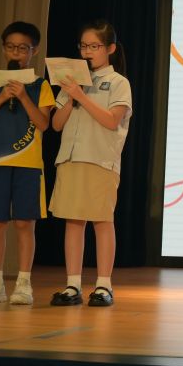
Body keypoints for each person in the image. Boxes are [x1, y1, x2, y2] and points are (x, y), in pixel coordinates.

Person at [0, 21, 54, 305]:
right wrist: (1, 97)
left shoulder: (40, 85)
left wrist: (23, 96)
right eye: (11, 47)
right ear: (4, 49)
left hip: (29, 165)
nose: (16, 53)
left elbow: (43, 123)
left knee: (24, 223)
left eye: (22, 48)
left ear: (34, 51)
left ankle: (23, 283)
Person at [49, 19, 131, 307]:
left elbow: (111, 121)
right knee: (73, 220)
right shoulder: (71, 83)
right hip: (70, 158)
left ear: (110, 49)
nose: (87, 52)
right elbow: (56, 124)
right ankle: (72, 284)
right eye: (84, 46)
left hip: (100, 160)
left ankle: (104, 285)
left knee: (102, 220)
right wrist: (72, 97)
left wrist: (81, 96)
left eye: (94, 46)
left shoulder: (118, 83)